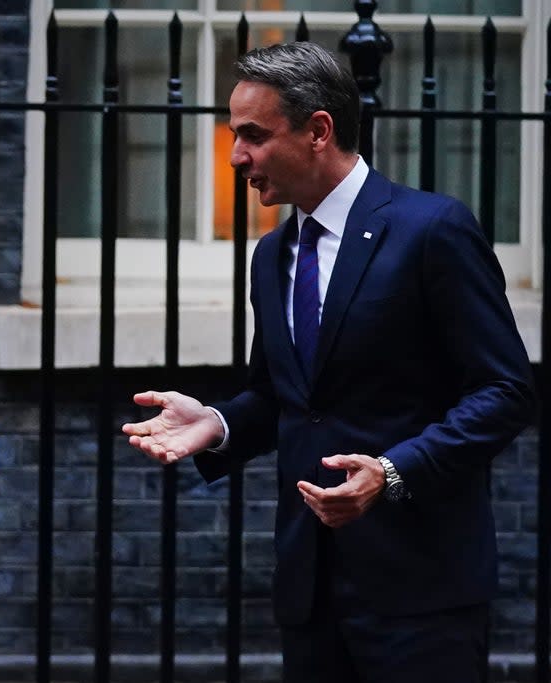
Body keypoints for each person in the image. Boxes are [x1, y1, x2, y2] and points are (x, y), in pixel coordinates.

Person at [122, 42, 534, 683]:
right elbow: (287, 397)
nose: (236, 158)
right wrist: (219, 424)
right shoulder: (273, 254)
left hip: (420, 592)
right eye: (235, 137)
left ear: (319, 130)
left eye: (253, 136)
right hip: (310, 594)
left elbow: (506, 390)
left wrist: (393, 471)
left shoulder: (432, 229)